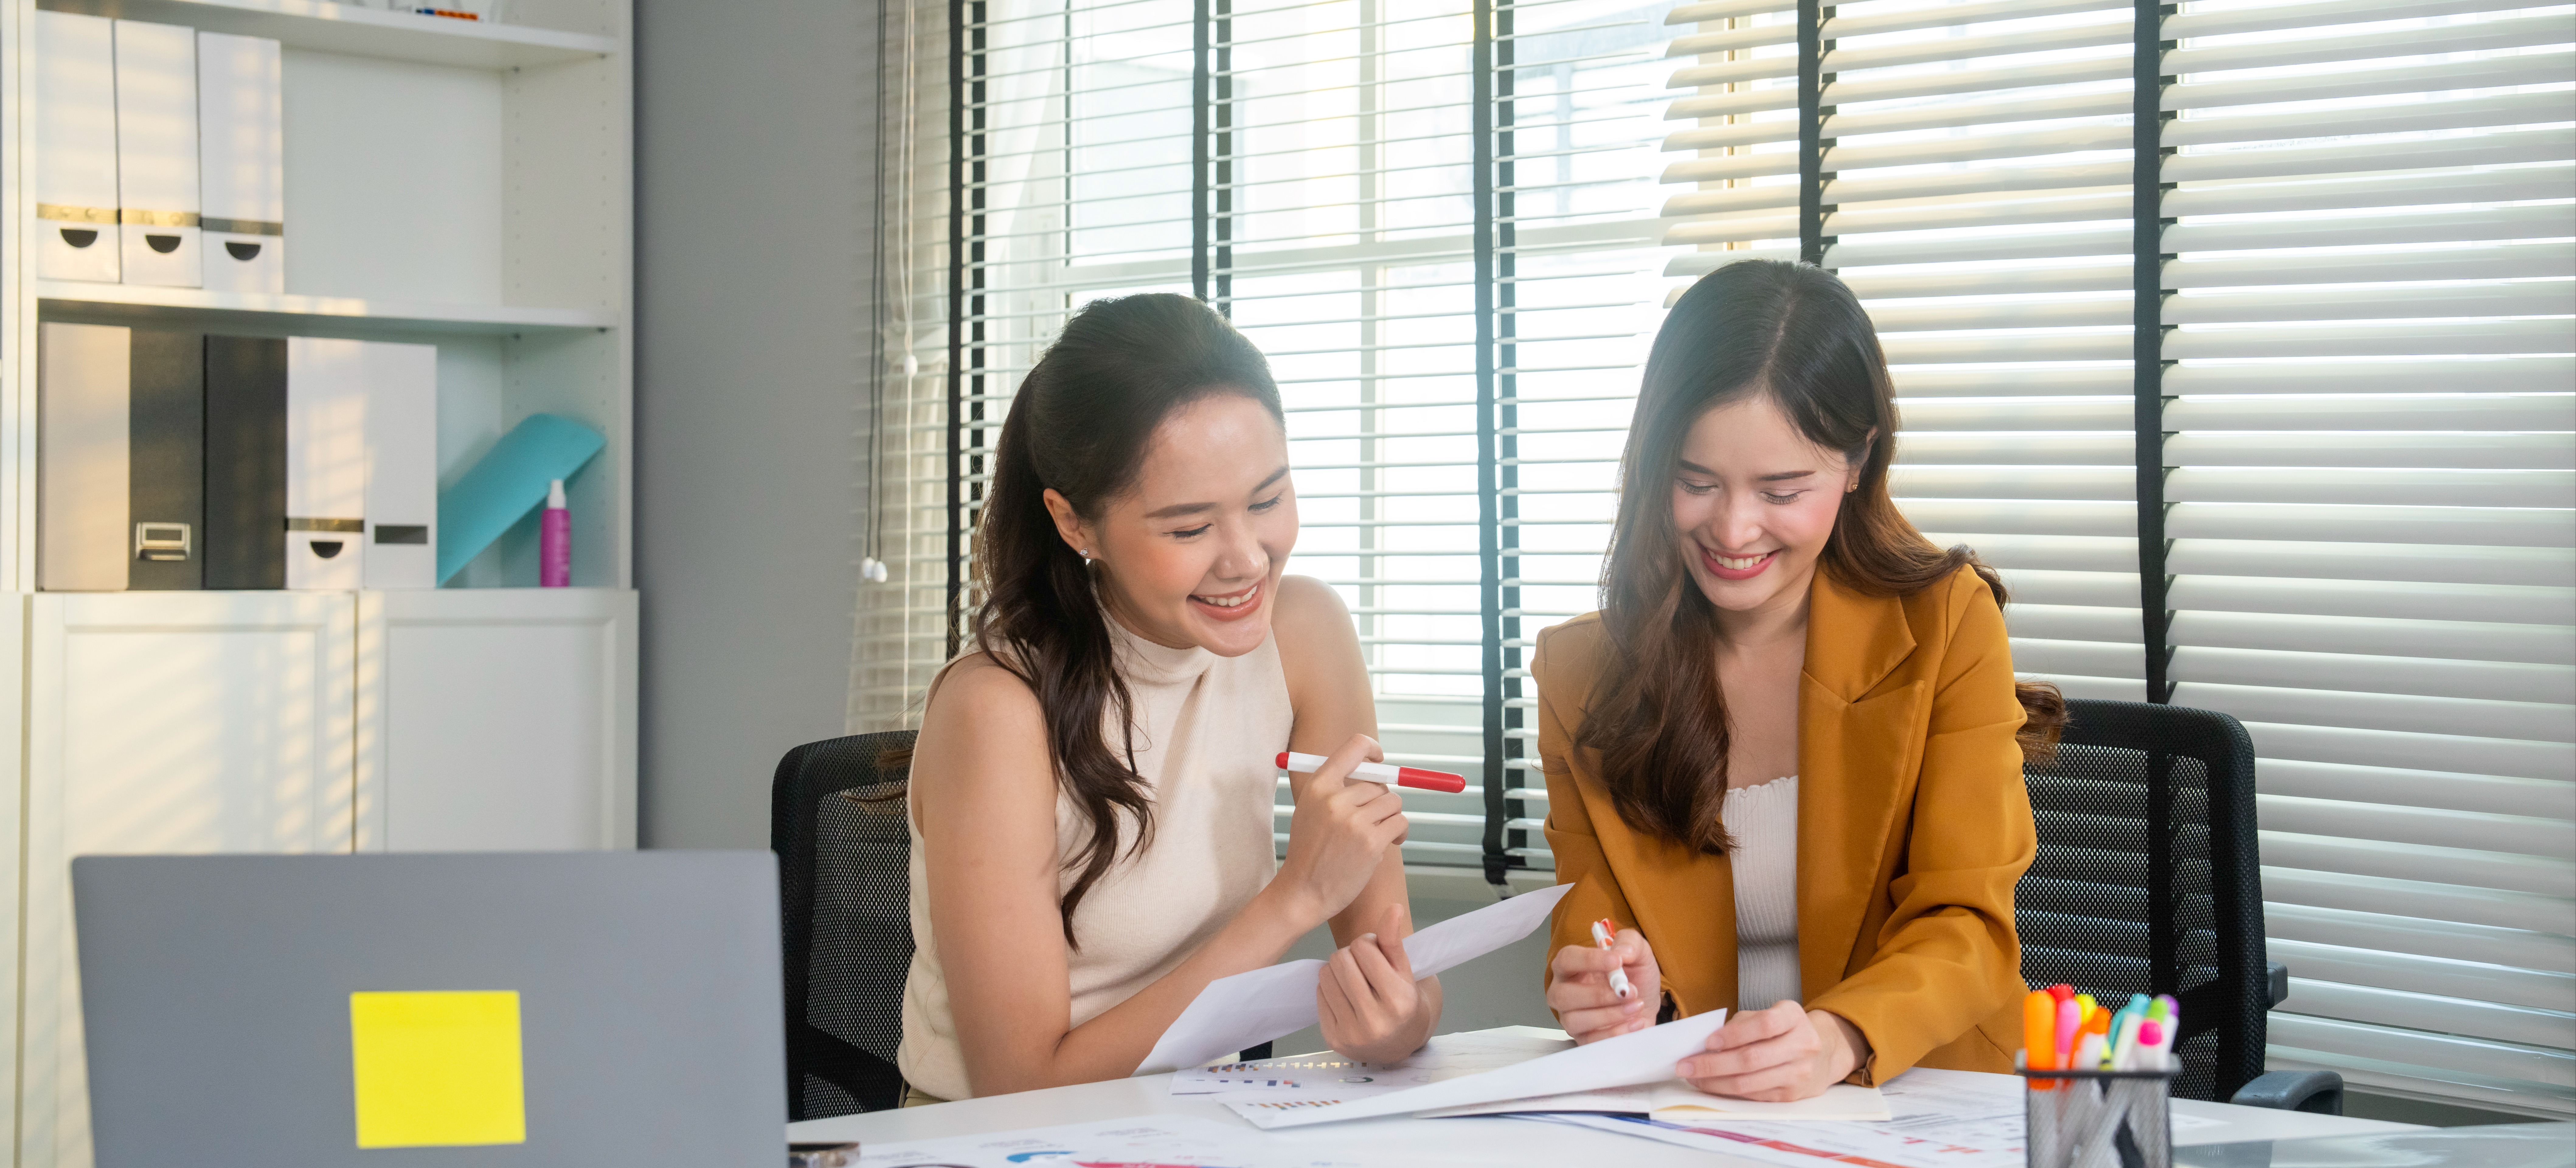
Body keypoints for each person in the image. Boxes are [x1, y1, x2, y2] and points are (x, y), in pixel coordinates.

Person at [1536, 259, 2065, 1101]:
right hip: (1702, 1114)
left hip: (1921, 1098)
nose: (1733, 529)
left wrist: (1838, 1038)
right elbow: (1596, 915)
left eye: (1781, 489)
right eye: (1695, 481)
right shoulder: (1581, 674)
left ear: (1859, 462)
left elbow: (1967, 923)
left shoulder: (1946, 623)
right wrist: (1609, 986)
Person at [895, 293, 1440, 1104]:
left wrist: (1398, 1023)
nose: (1247, 559)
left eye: (1267, 500)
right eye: (1188, 530)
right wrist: (1294, 900)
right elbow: (1017, 1083)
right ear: (1075, 523)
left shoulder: (1306, 631)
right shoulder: (998, 708)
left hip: (1203, 1120)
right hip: (1009, 1141)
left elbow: (1401, 975)